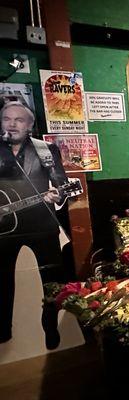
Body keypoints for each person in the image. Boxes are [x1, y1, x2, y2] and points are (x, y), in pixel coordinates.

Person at [0, 102, 68, 349]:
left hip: (42, 225)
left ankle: (50, 325)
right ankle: (3, 329)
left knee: (51, 280)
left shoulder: (45, 150)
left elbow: (61, 183)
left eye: (19, 120)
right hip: (4, 231)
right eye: (7, 118)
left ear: (29, 125)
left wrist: (57, 194)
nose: (12, 123)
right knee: (2, 280)